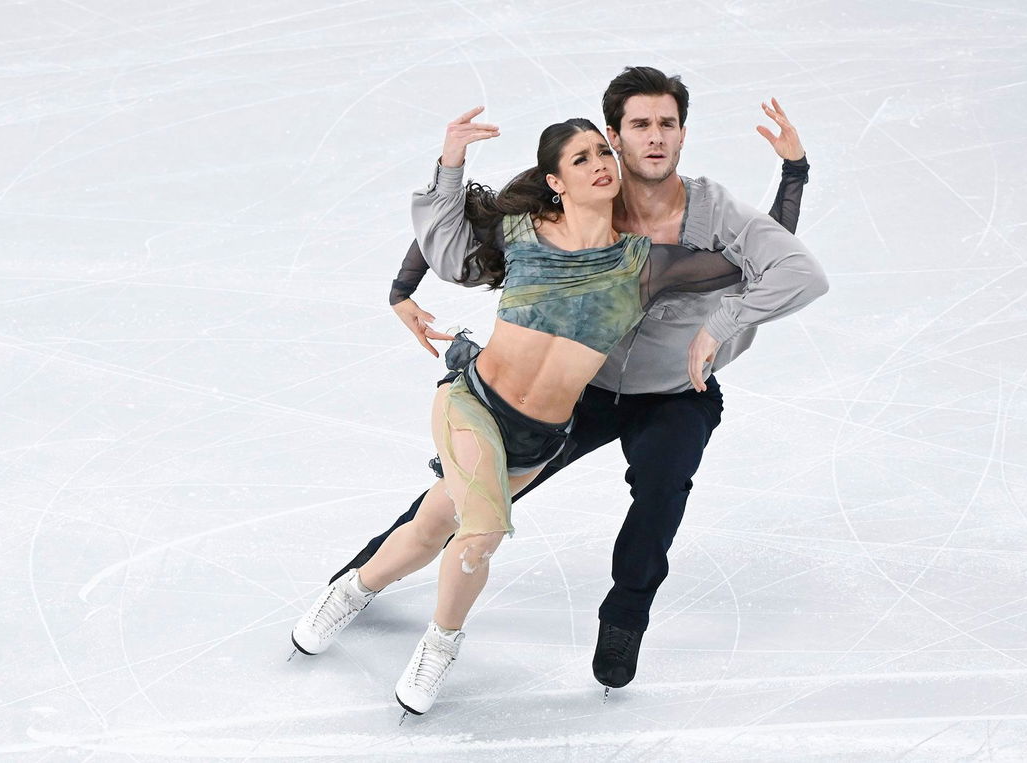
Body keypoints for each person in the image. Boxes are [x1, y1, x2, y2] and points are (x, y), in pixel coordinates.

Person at [311, 68, 828, 700]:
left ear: (683, 133)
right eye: (638, 126)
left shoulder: (702, 218)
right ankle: (364, 575)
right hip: (584, 391)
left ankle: (623, 621)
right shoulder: (567, 203)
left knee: (661, 493)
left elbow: (768, 259)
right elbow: (473, 229)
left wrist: (788, 185)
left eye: (667, 123)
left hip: (671, 392)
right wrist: (401, 289)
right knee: (465, 496)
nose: (654, 138)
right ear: (616, 136)